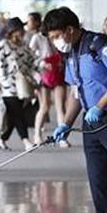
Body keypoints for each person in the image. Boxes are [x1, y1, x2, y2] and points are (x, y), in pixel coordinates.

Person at [45, 7, 107, 213]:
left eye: (56, 36)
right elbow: (75, 92)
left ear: (70, 30)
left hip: (105, 115)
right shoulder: (71, 54)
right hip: (91, 124)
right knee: (99, 182)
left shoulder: (98, 45)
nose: (55, 42)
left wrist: (100, 106)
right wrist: (66, 123)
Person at [0, 17, 37, 151]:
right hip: (7, 86)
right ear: (13, 31)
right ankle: (26, 141)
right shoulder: (3, 44)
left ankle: (2, 139)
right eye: (20, 29)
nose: (22, 31)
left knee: (13, 114)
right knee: (17, 113)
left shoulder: (23, 45)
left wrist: (40, 69)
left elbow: (31, 61)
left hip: (22, 86)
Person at [28, 15, 69, 147]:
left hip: (58, 73)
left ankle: (62, 137)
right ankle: (37, 135)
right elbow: (30, 57)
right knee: (44, 106)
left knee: (60, 107)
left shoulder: (57, 36)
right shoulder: (37, 38)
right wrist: (42, 64)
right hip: (43, 75)